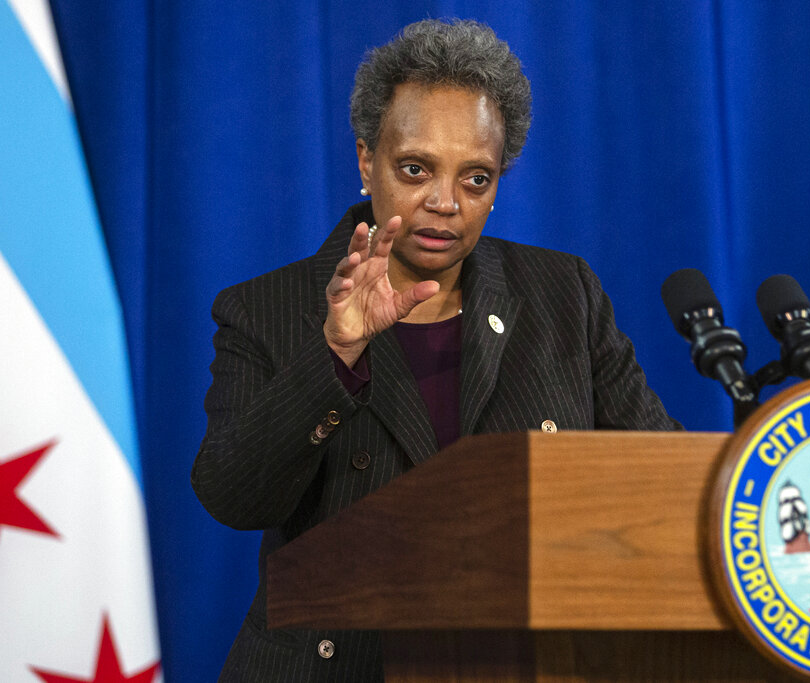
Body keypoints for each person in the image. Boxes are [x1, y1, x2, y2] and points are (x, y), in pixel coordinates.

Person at [192, 18, 681, 682]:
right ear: (367, 161)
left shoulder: (562, 293)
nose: (445, 202)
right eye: (416, 168)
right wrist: (336, 352)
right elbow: (232, 495)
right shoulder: (267, 308)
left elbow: (659, 478)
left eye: (476, 178)